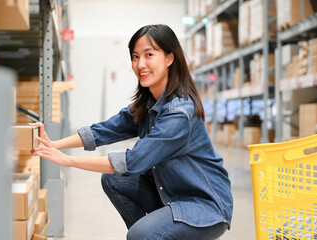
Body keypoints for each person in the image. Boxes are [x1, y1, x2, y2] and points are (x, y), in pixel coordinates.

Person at [31, 24, 233, 240]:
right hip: (171, 195)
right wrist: (53, 144)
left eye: (149, 55)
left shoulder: (179, 113)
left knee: (139, 235)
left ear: (169, 58)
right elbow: (106, 130)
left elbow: (133, 161)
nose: (140, 64)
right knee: (113, 180)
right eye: (135, 56)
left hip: (203, 206)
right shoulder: (149, 103)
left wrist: (68, 161)